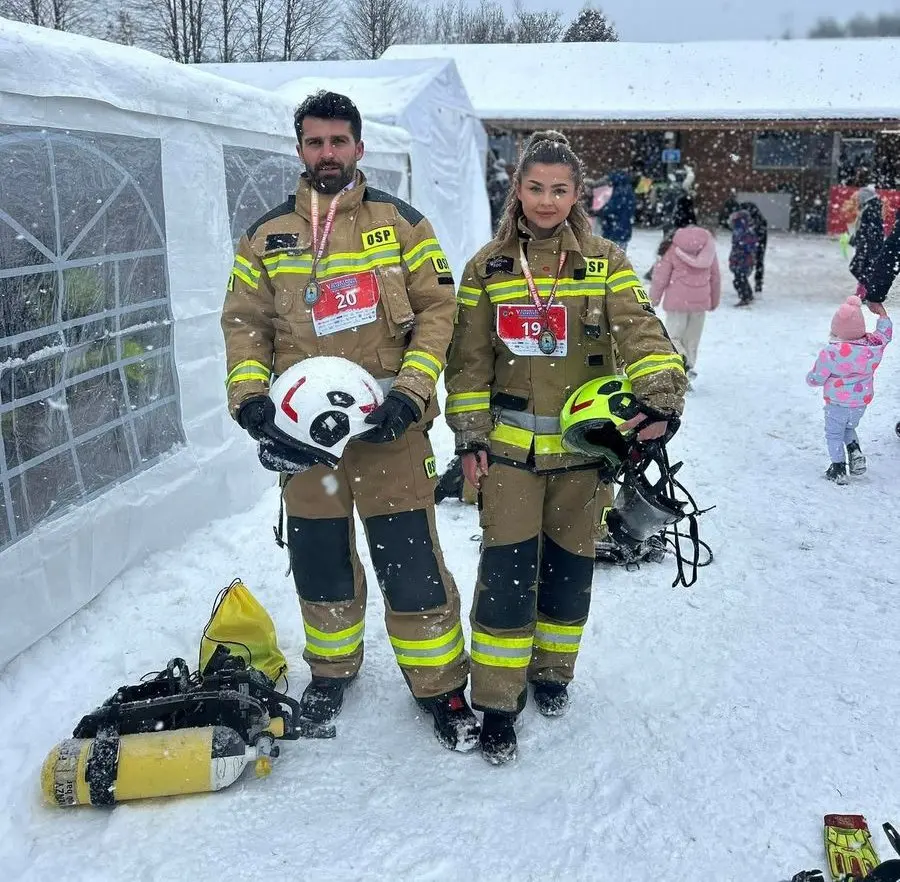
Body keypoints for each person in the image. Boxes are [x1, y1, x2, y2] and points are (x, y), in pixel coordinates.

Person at [220, 90, 480, 751]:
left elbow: (439, 315)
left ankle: (439, 684)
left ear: (359, 148)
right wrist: (252, 403)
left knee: (411, 564)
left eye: (339, 141)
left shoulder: (403, 224)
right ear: (299, 148)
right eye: (315, 141)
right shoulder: (266, 236)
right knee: (320, 561)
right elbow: (244, 324)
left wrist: (412, 395)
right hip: (307, 440)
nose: (327, 153)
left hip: (389, 432)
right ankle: (332, 671)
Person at [444, 130, 687, 764]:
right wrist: (470, 437)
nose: (546, 201)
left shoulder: (605, 261)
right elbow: (468, 364)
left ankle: (552, 672)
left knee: (570, 571)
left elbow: (642, 331)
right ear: (515, 190)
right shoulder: (487, 269)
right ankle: (497, 702)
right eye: (534, 187)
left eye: (559, 189)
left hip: (585, 458)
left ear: (578, 194)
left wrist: (662, 399)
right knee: (505, 578)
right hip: (508, 458)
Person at [806, 296, 892, 484]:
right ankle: (854, 450)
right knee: (849, 427)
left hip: (837, 402)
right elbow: (885, 334)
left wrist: (810, 379)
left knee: (834, 434)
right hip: (861, 401)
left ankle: (838, 468)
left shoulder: (831, 352)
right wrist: (882, 314)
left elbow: (817, 378)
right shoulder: (872, 346)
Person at [650, 221, 721, 378]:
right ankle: (688, 365)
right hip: (700, 303)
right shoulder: (708, 249)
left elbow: (661, 277)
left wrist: (653, 299)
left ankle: (680, 362)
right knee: (692, 339)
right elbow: (715, 277)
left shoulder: (673, 248)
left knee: (674, 336)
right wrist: (714, 300)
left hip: (676, 301)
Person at [720, 194, 767, 293]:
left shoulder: (745, 214)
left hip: (759, 233)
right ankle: (746, 282)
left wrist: (753, 237)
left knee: (758, 258)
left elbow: (757, 225)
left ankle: (757, 284)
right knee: (751, 260)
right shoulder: (738, 215)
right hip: (753, 235)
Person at [850, 186, 885, 293]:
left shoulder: (871, 209)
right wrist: (856, 238)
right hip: (867, 245)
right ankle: (865, 290)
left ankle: (866, 290)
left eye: (860, 197)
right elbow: (866, 228)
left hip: (868, 246)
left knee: (858, 267)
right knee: (862, 268)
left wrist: (867, 244)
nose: (858, 199)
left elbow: (873, 230)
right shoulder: (870, 207)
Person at [599, 170, 636, 250]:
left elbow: (612, 208)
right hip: (624, 229)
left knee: (612, 255)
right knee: (620, 255)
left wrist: (603, 211)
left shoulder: (618, 191)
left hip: (614, 229)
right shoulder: (629, 189)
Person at [729, 209, 759, 307]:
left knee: (740, 279)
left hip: (743, 259)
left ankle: (745, 297)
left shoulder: (745, 232)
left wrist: (743, 250)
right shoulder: (741, 231)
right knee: (741, 278)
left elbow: (750, 245)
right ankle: (748, 295)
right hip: (739, 259)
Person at [486, 153, 511, 235]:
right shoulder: (505, 178)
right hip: (502, 205)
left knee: (494, 223)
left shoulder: (498, 179)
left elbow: (490, 189)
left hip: (496, 204)